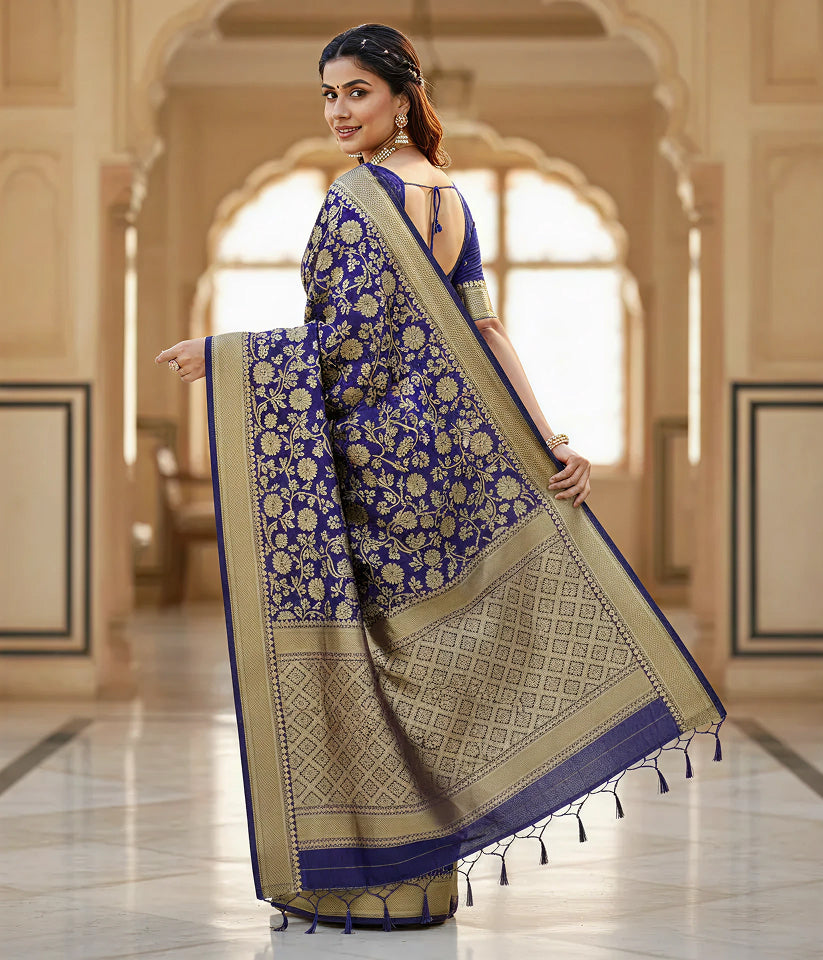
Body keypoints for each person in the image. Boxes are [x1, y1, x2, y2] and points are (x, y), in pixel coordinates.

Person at [155, 22, 724, 934]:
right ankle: (422, 875)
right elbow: (486, 330)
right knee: (424, 660)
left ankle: (373, 875)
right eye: (329, 94)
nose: (340, 111)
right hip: (449, 457)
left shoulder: (357, 199)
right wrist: (546, 439)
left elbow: (347, 343)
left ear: (402, 97)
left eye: (357, 92)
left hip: (376, 462)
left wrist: (223, 357)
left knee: (370, 662)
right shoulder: (450, 196)